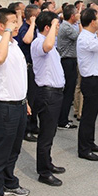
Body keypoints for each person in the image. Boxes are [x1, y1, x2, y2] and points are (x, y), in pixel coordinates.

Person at [0, 8, 31, 196]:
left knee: (14, 149)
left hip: (19, 104)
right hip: (5, 107)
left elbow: (18, 75)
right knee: (1, 151)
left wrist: (25, 100)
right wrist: (6, 33)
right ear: (1, 26)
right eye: (12, 22)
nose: (17, 24)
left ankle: (9, 181)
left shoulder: (14, 44)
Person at [30, 11, 66, 186]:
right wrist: (53, 25)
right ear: (47, 27)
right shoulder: (39, 42)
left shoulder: (48, 42)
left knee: (50, 132)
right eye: (55, 26)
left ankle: (48, 163)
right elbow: (47, 46)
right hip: (47, 93)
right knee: (45, 134)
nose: (58, 29)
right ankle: (43, 172)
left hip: (56, 93)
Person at [76, 8, 98, 161]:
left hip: (97, 80)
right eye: (97, 18)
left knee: (92, 115)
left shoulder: (90, 35)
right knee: (88, 117)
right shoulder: (85, 38)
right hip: (92, 81)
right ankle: (84, 149)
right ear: (92, 22)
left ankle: (90, 143)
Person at [15, 4, 40, 142]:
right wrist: (32, 23)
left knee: (35, 99)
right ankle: (26, 129)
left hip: (34, 67)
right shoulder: (25, 28)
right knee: (29, 98)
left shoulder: (34, 28)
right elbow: (27, 40)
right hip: (27, 67)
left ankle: (33, 125)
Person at [57, 4, 80, 130]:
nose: (78, 15)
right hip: (67, 61)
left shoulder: (67, 25)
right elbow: (80, 36)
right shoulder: (67, 27)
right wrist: (81, 22)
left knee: (69, 91)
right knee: (68, 92)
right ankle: (62, 120)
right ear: (72, 16)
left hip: (69, 60)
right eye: (77, 13)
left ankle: (63, 117)